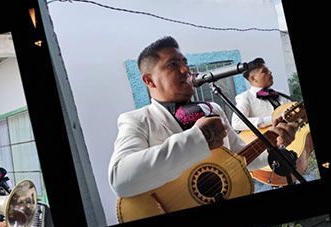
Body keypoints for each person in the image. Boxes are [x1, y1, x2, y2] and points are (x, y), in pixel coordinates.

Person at [108, 36, 296, 200]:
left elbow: (240, 157)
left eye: (185, 63)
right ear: (149, 80)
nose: (185, 70)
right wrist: (198, 138)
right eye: (173, 64)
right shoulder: (137, 120)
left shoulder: (212, 109)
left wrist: (273, 142)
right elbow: (120, 180)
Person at [231, 59, 291, 133]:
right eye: (264, 71)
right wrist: (270, 119)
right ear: (253, 79)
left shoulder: (281, 94)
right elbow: (236, 122)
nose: (270, 72)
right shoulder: (245, 98)